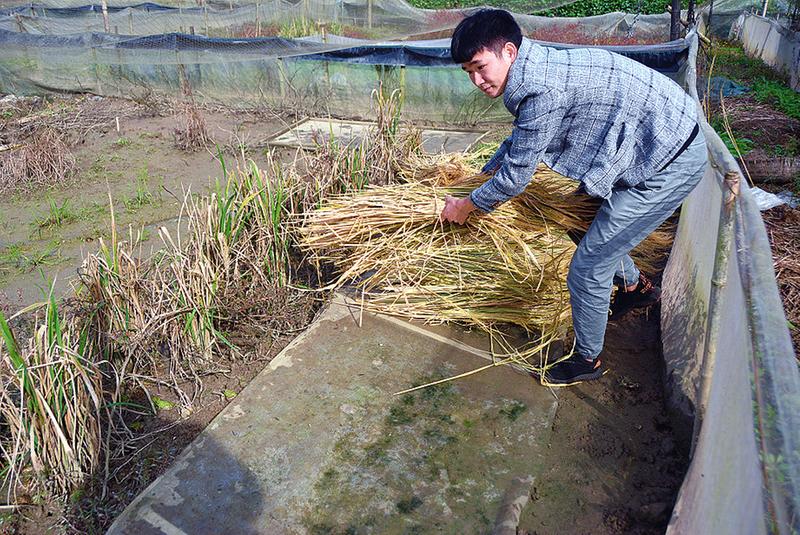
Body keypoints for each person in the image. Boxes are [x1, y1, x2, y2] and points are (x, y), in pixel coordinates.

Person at [440, 9, 707, 386]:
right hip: (651, 139)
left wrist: (467, 206)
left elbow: (517, 177)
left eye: (480, 67)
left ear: (509, 53)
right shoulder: (532, 66)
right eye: (468, 72)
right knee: (578, 219)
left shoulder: (539, 88)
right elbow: (519, 142)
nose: (477, 80)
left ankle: (587, 361)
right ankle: (634, 288)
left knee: (588, 268)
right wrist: (484, 174)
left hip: (667, 159)